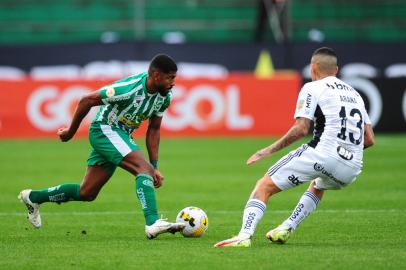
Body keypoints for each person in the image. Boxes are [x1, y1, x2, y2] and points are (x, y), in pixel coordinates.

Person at [214, 47, 375, 247]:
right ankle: (287, 227)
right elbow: (369, 139)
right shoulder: (356, 95)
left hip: (323, 154)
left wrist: (267, 150)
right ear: (336, 70)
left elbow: (301, 129)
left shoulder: (313, 87)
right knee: (318, 184)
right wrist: (344, 153)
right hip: (351, 168)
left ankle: (243, 236)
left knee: (264, 186)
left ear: (313, 67)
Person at [18, 54, 185, 239]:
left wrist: (155, 166)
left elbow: (154, 130)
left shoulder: (164, 96)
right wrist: (70, 132)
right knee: (142, 170)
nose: (173, 82)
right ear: (156, 76)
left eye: (174, 78)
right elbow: (86, 100)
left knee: (87, 192)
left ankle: (33, 197)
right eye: (170, 77)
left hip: (120, 135)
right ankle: (152, 222)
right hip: (105, 130)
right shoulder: (128, 89)